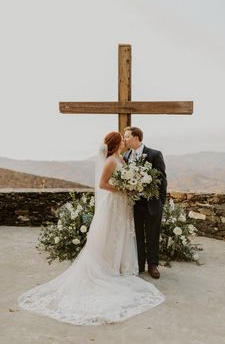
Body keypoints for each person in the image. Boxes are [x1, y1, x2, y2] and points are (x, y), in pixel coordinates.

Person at [18, 132, 164, 326]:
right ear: (115, 144)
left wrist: (131, 186)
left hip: (124, 205)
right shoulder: (112, 160)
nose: (124, 141)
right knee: (112, 234)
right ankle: (110, 266)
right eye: (122, 139)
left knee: (123, 234)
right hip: (114, 202)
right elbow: (103, 184)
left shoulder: (122, 157)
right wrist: (123, 189)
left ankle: (123, 265)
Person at [123, 127, 167, 279]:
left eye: (127, 137)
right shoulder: (127, 155)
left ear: (136, 138)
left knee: (152, 234)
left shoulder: (154, 154)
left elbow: (162, 179)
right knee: (137, 234)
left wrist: (161, 201)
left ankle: (153, 265)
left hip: (152, 202)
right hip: (135, 203)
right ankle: (140, 264)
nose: (125, 139)